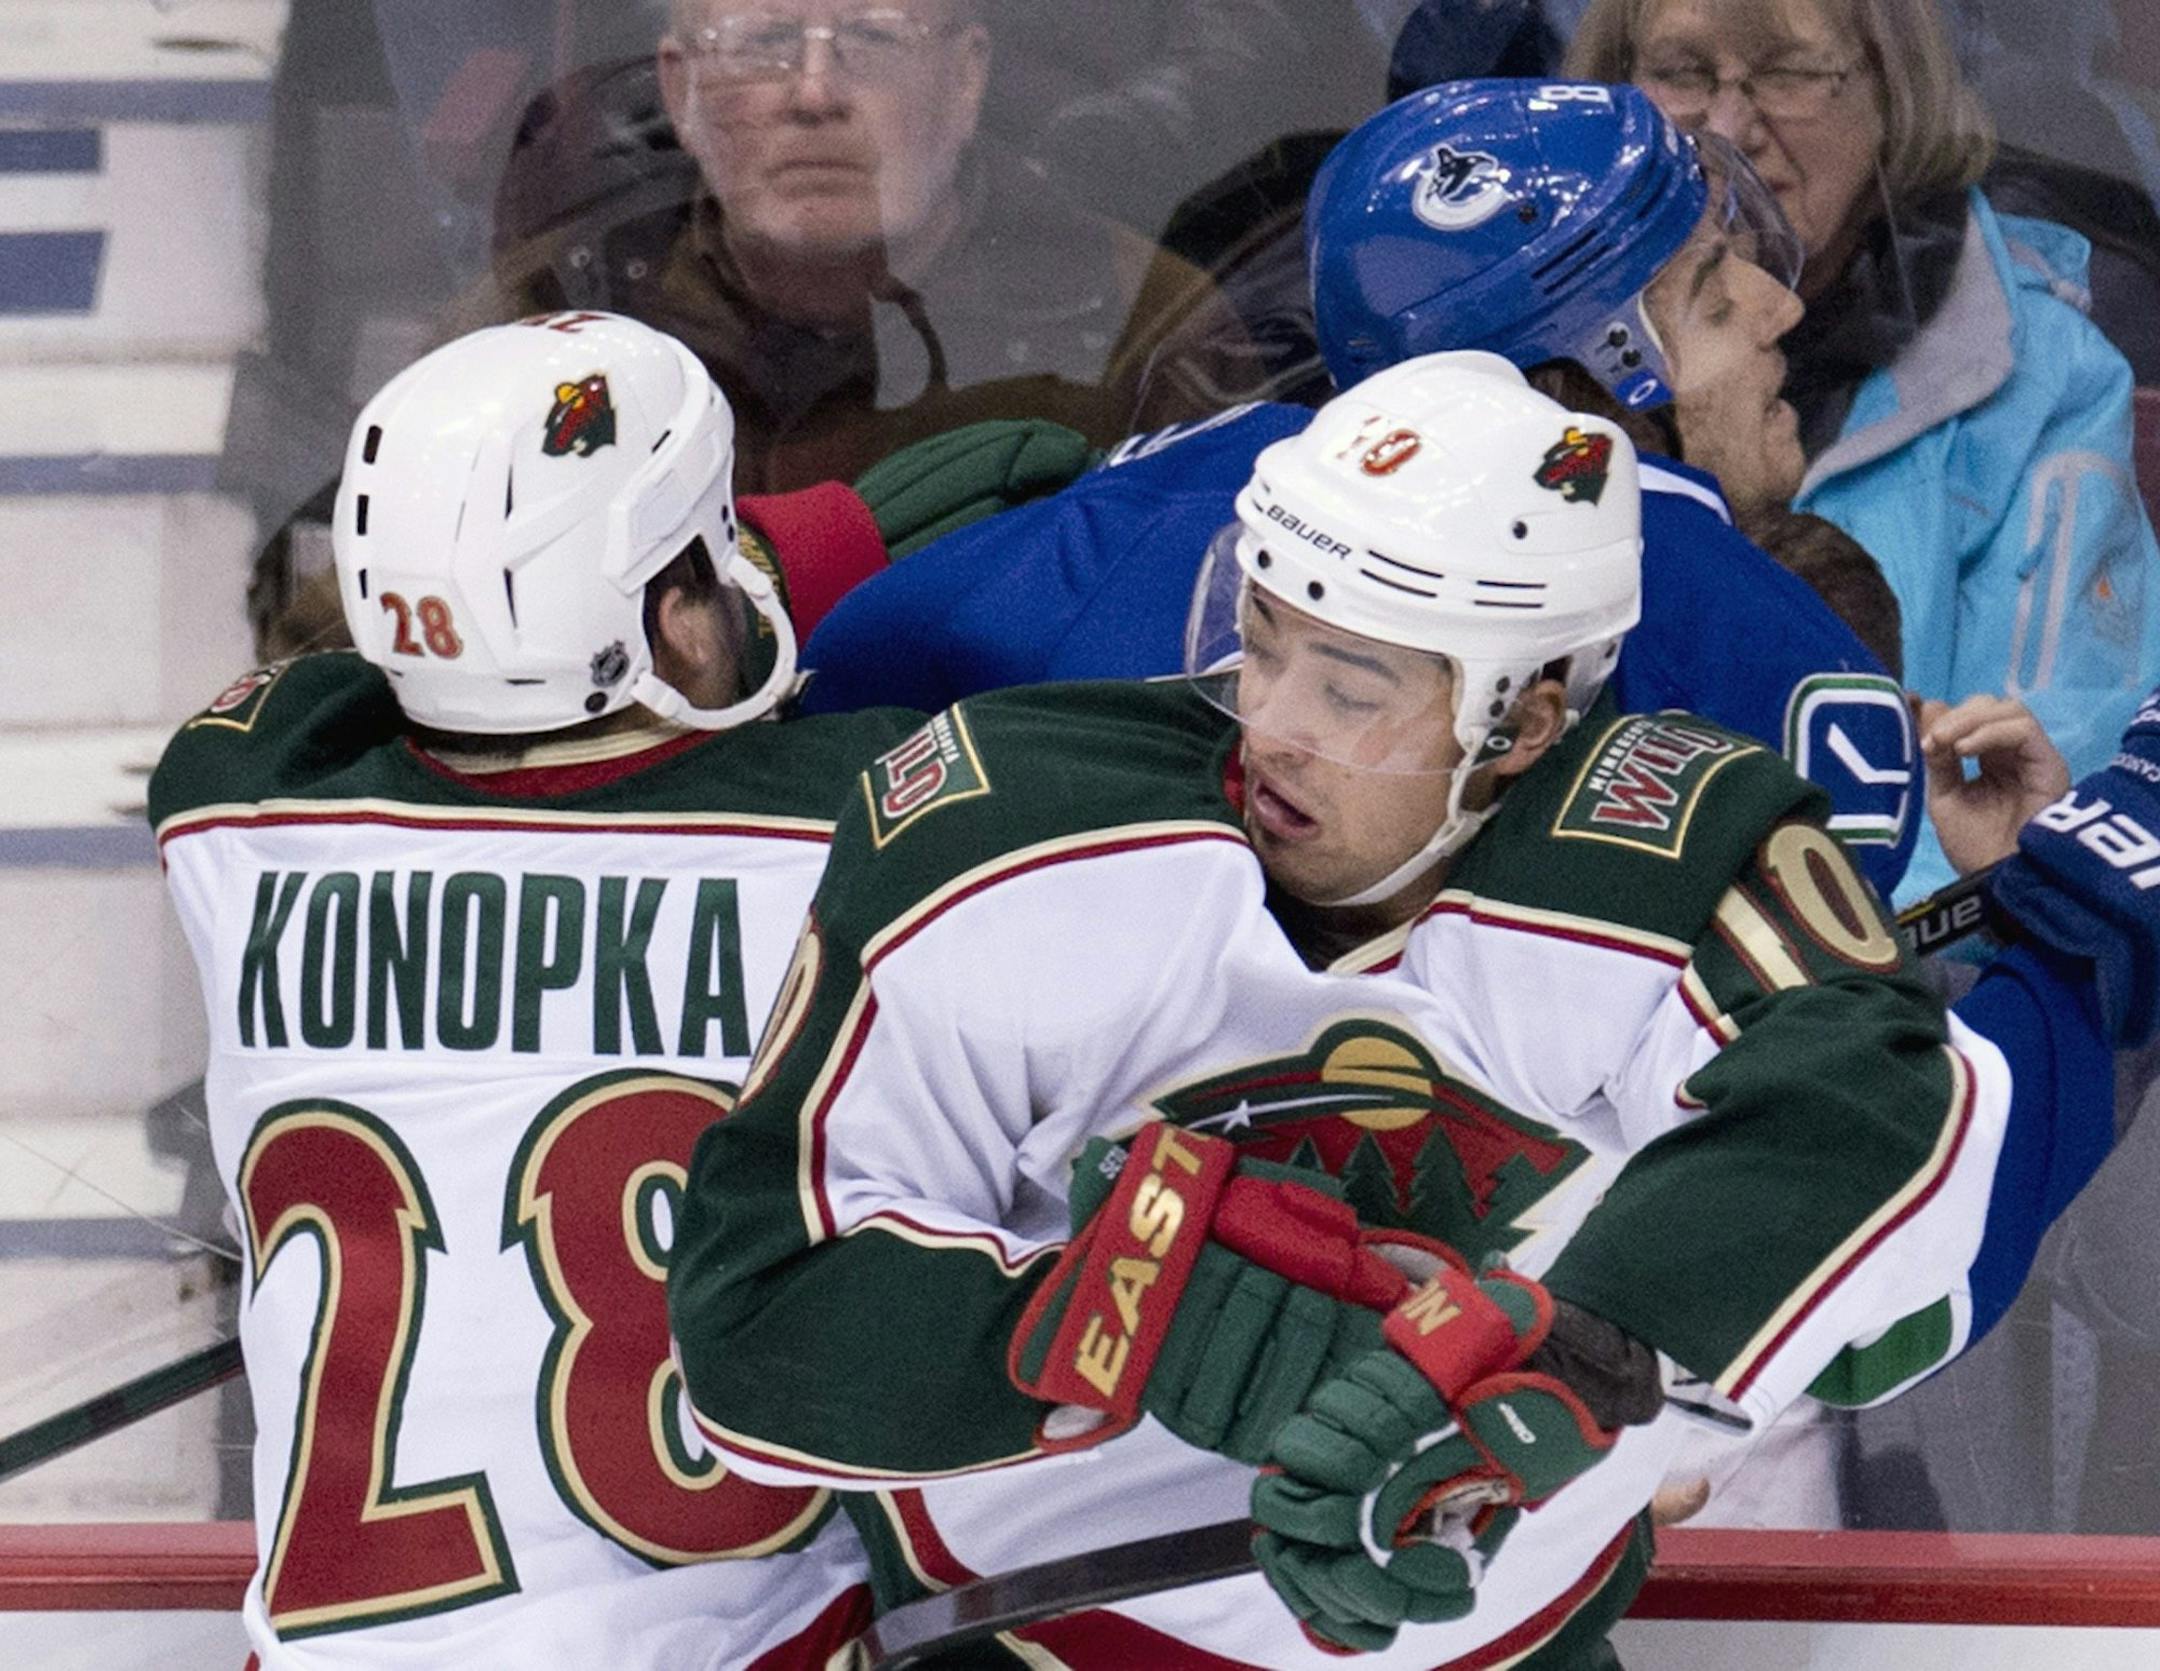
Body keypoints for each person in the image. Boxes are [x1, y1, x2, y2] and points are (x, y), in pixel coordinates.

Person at [668, 356, 2028, 1665]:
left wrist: (1568, 1351)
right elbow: (757, 1331)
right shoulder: (1010, 830)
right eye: (1262, 642)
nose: (1273, 722)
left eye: (1353, 687)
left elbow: (1884, 1106)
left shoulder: (1666, 857)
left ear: (1527, 711)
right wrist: (1122, 1313)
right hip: (1019, 1644)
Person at [148, 313, 921, 1669]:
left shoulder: (237, 818)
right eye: (709, 551)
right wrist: (824, 545)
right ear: (663, 618)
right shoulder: (861, 833)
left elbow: (322, 702)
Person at [797, 79, 1928, 902]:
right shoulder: (1778, 649)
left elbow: (834, 700)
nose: (1781, 313)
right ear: (1588, 384)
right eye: (1717, 300)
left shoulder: (1168, 487)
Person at [1564, 0, 2160, 903]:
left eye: (1789, 73)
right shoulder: (1546, 345)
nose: (1725, 129)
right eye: (1681, 74)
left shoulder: (2040, 376)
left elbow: (2038, 788)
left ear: (1892, 90)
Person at [490, 0, 1256, 493]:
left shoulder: (1143, 332)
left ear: (964, 79)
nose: (815, 95)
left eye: (874, 38)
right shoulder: (549, 320)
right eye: (763, 43)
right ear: (679, 91)